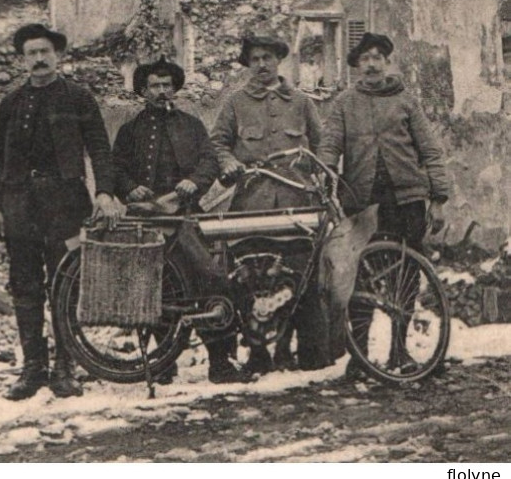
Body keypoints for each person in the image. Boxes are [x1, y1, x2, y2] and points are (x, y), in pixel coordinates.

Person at [0, 22, 121, 401]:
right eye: (32, 53)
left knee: (64, 285)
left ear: (58, 56)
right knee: (25, 286)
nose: (40, 59)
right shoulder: (11, 103)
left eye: (46, 51)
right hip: (19, 207)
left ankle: (65, 368)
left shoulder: (78, 98)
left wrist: (106, 192)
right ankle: (32, 370)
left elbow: (99, 149)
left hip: (66, 206)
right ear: (22, 60)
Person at [318, 32, 449, 374]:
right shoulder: (345, 103)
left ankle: (400, 352)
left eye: (378, 57)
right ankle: (358, 356)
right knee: (357, 277)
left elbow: (431, 151)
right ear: (356, 67)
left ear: (387, 62)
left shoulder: (406, 101)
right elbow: (330, 144)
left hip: (406, 202)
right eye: (365, 59)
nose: (372, 64)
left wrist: (438, 200)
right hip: (361, 205)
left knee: (405, 277)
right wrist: (325, 169)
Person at [113, 56, 249, 384]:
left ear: (174, 89)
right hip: (148, 219)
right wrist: (131, 189)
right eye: (154, 86)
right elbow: (114, 168)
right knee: (155, 292)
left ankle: (220, 362)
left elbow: (209, 160)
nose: (162, 91)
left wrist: (194, 183)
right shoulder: (130, 130)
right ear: (143, 91)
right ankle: (163, 362)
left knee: (210, 279)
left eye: (167, 85)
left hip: (186, 215)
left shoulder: (191, 125)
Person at [211, 29, 326, 373]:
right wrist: (229, 162)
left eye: (267, 58)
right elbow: (217, 142)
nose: (261, 65)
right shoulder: (235, 102)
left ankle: (294, 349)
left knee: (297, 277)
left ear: (279, 61)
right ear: (247, 65)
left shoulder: (302, 103)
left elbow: (322, 148)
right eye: (255, 59)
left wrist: (320, 177)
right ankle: (258, 352)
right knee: (251, 279)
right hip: (252, 204)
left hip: (296, 202)